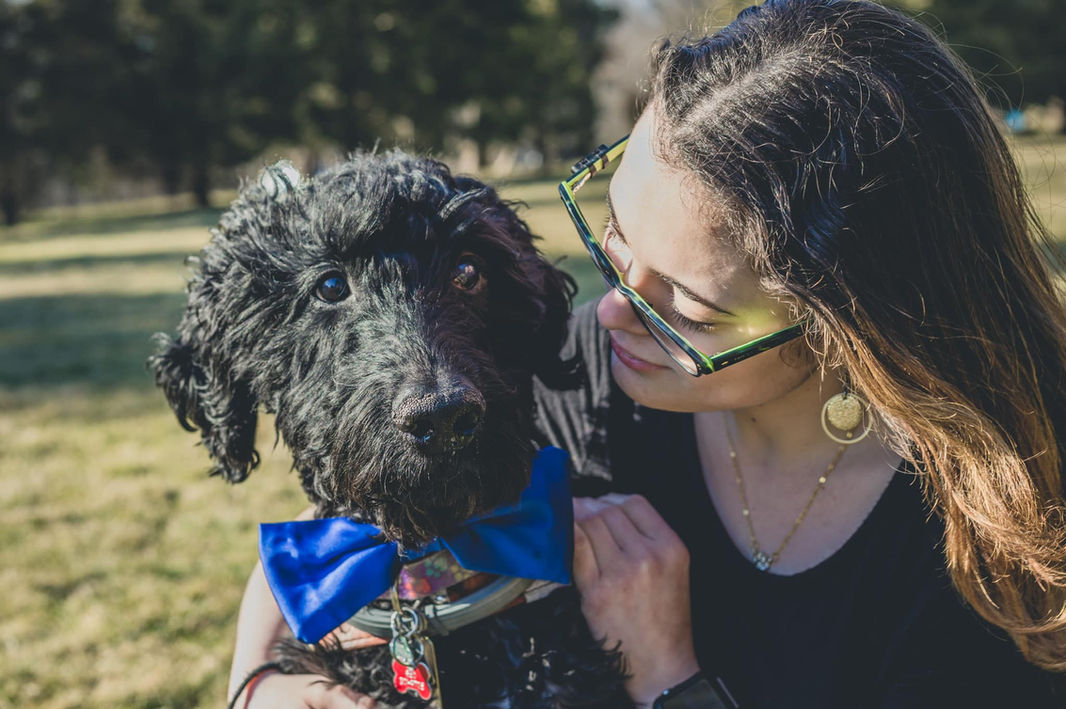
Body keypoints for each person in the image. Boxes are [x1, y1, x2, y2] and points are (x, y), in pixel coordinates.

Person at [228, 0, 1066, 706]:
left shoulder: (1007, 555)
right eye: (614, 241)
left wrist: (671, 676)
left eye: (689, 307)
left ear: (856, 333)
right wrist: (259, 684)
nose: (611, 315)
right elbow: (336, 542)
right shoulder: (584, 373)